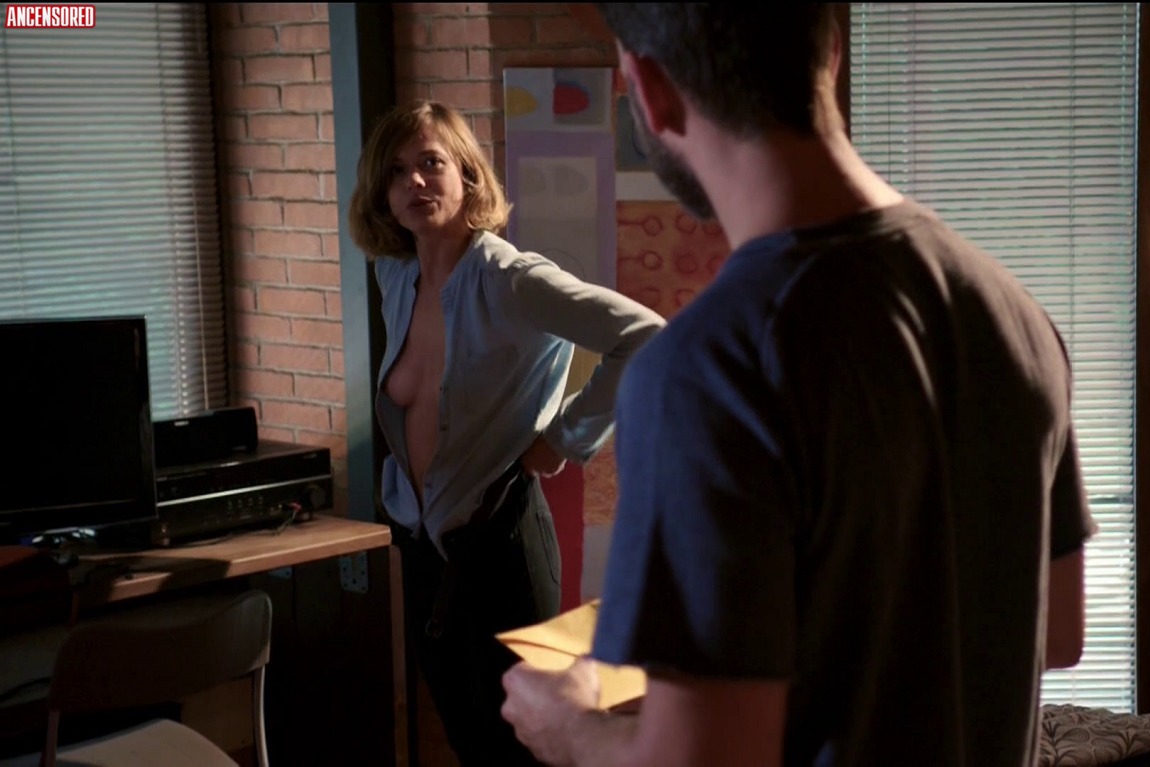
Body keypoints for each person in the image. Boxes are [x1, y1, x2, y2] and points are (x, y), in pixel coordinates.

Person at [499, 4, 1097, 767]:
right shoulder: (1013, 311)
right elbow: (1057, 630)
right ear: (832, 55)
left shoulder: (703, 368)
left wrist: (569, 726)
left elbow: (706, 760)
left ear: (649, 89)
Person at [348, 99, 666, 767]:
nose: (414, 181)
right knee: (468, 742)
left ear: (467, 174)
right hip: (424, 548)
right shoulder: (394, 275)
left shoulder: (512, 279)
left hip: (503, 543)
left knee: (525, 751)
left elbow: (645, 338)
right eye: (396, 170)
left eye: (431, 163)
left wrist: (563, 439)